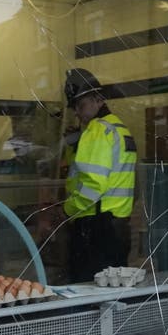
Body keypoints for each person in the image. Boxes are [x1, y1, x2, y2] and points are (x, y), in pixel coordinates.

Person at [61, 68, 137, 282]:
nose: (77, 112)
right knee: (114, 288)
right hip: (118, 225)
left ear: (98, 100)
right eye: (75, 107)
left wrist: (67, 209)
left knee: (86, 292)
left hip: (94, 226)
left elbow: (93, 186)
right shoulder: (119, 129)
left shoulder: (97, 130)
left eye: (81, 105)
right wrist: (76, 145)